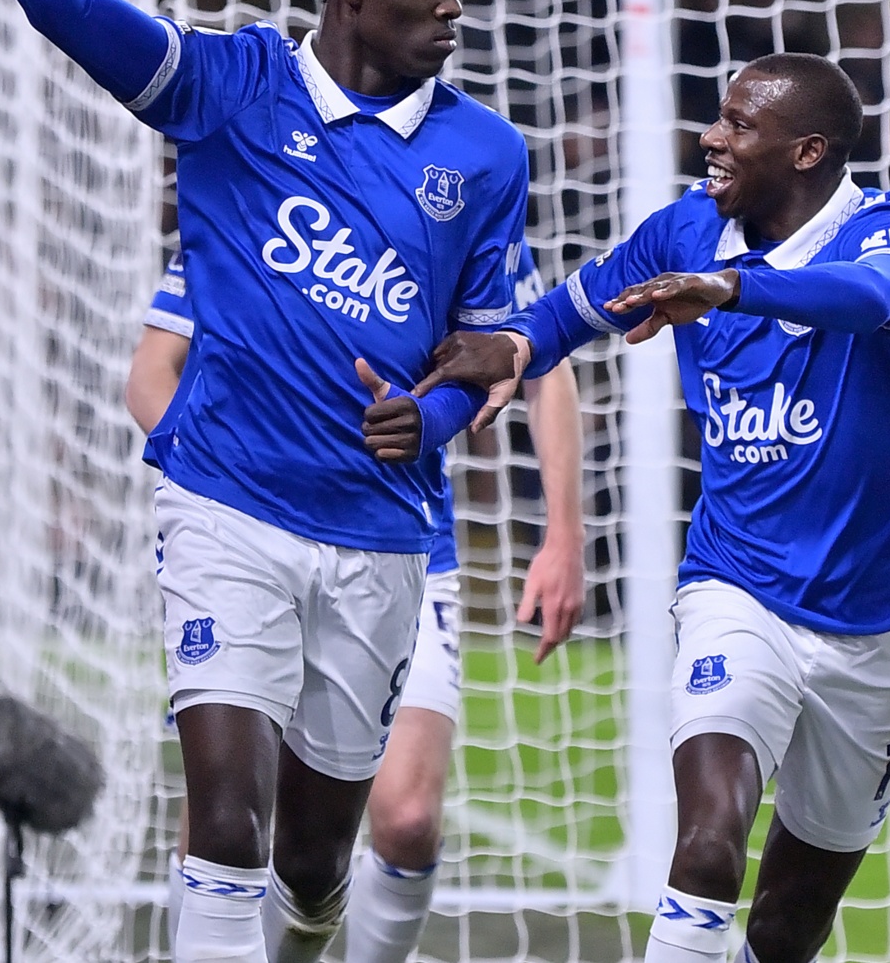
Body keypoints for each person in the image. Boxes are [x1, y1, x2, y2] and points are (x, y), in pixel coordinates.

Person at [0, 0, 540, 963]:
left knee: (313, 862)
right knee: (224, 819)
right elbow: (65, 5)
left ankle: (312, 929)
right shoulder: (231, 85)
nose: (456, 4)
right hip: (225, 507)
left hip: (378, 533)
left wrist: (426, 415)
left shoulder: (485, 153)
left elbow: (487, 356)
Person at [438, 52, 890, 963]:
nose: (710, 139)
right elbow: (576, 309)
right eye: (716, 118)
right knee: (710, 840)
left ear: (807, 152)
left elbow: (882, 295)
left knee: (789, 924)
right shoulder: (685, 230)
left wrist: (734, 287)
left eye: (737, 125)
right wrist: (515, 345)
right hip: (740, 584)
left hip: (883, 615)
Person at [128, 254, 584, 961]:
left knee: (403, 820)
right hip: (252, 538)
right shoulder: (255, 189)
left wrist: (563, 534)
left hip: (401, 548)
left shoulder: (461, 185)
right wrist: (220, 477)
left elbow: (540, 360)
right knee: (224, 819)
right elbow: (153, 370)